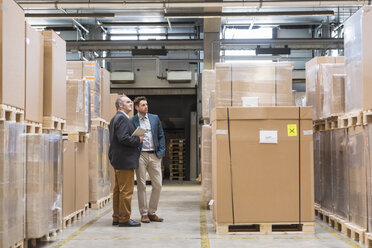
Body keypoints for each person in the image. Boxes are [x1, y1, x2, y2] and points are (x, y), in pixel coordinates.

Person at [109, 95, 144, 227]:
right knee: (126, 191)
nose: (131, 104)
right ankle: (124, 218)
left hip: (118, 158)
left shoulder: (116, 118)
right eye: (128, 102)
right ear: (120, 105)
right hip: (124, 159)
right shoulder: (122, 119)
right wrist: (138, 140)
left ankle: (117, 216)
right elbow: (123, 138)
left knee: (118, 189)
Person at [130, 96, 165, 223]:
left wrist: (161, 152)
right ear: (137, 107)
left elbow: (161, 135)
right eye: (143, 105)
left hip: (154, 155)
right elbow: (130, 137)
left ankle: (152, 212)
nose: (146, 106)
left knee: (158, 184)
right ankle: (144, 213)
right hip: (140, 155)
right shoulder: (132, 121)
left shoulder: (154, 118)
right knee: (141, 185)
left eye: (146, 104)